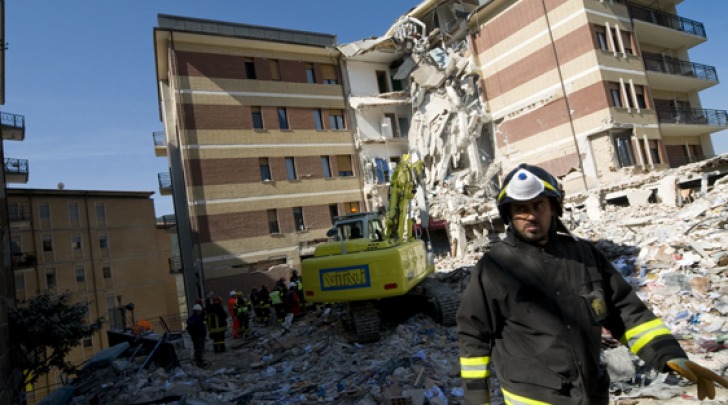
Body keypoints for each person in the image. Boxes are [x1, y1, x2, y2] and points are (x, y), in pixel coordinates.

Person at [456, 164, 728, 404]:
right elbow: (473, 334)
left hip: (592, 391)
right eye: (520, 209)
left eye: (538, 205)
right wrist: (477, 397)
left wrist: (670, 355)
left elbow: (626, 312)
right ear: (509, 215)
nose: (530, 215)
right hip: (534, 397)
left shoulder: (585, 256)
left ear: (553, 207)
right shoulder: (495, 267)